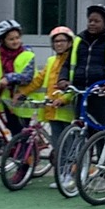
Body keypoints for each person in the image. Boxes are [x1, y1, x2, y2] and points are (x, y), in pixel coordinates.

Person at [32, 26, 76, 187]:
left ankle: (69, 174)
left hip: (67, 111)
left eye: (62, 41)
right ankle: (62, 174)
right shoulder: (51, 61)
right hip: (52, 110)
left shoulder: (72, 61)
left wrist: (64, 99)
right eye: (56, 41)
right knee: (58, 145)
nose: (59, 44)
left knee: (68, 145)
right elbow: (38, 80)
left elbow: (74, 85)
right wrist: (22, 92)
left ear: (70, 42)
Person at [0, 19, 40, 135]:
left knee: (22, 134)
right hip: (8, 101)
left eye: (17, 38)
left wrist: (9, 78)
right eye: (11, 39)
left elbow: (27, 76)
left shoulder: (28, 55)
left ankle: (25, 152)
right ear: (2, 41)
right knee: (13, 129)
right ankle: (15, 150)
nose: (15, 41)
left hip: (24, 100)